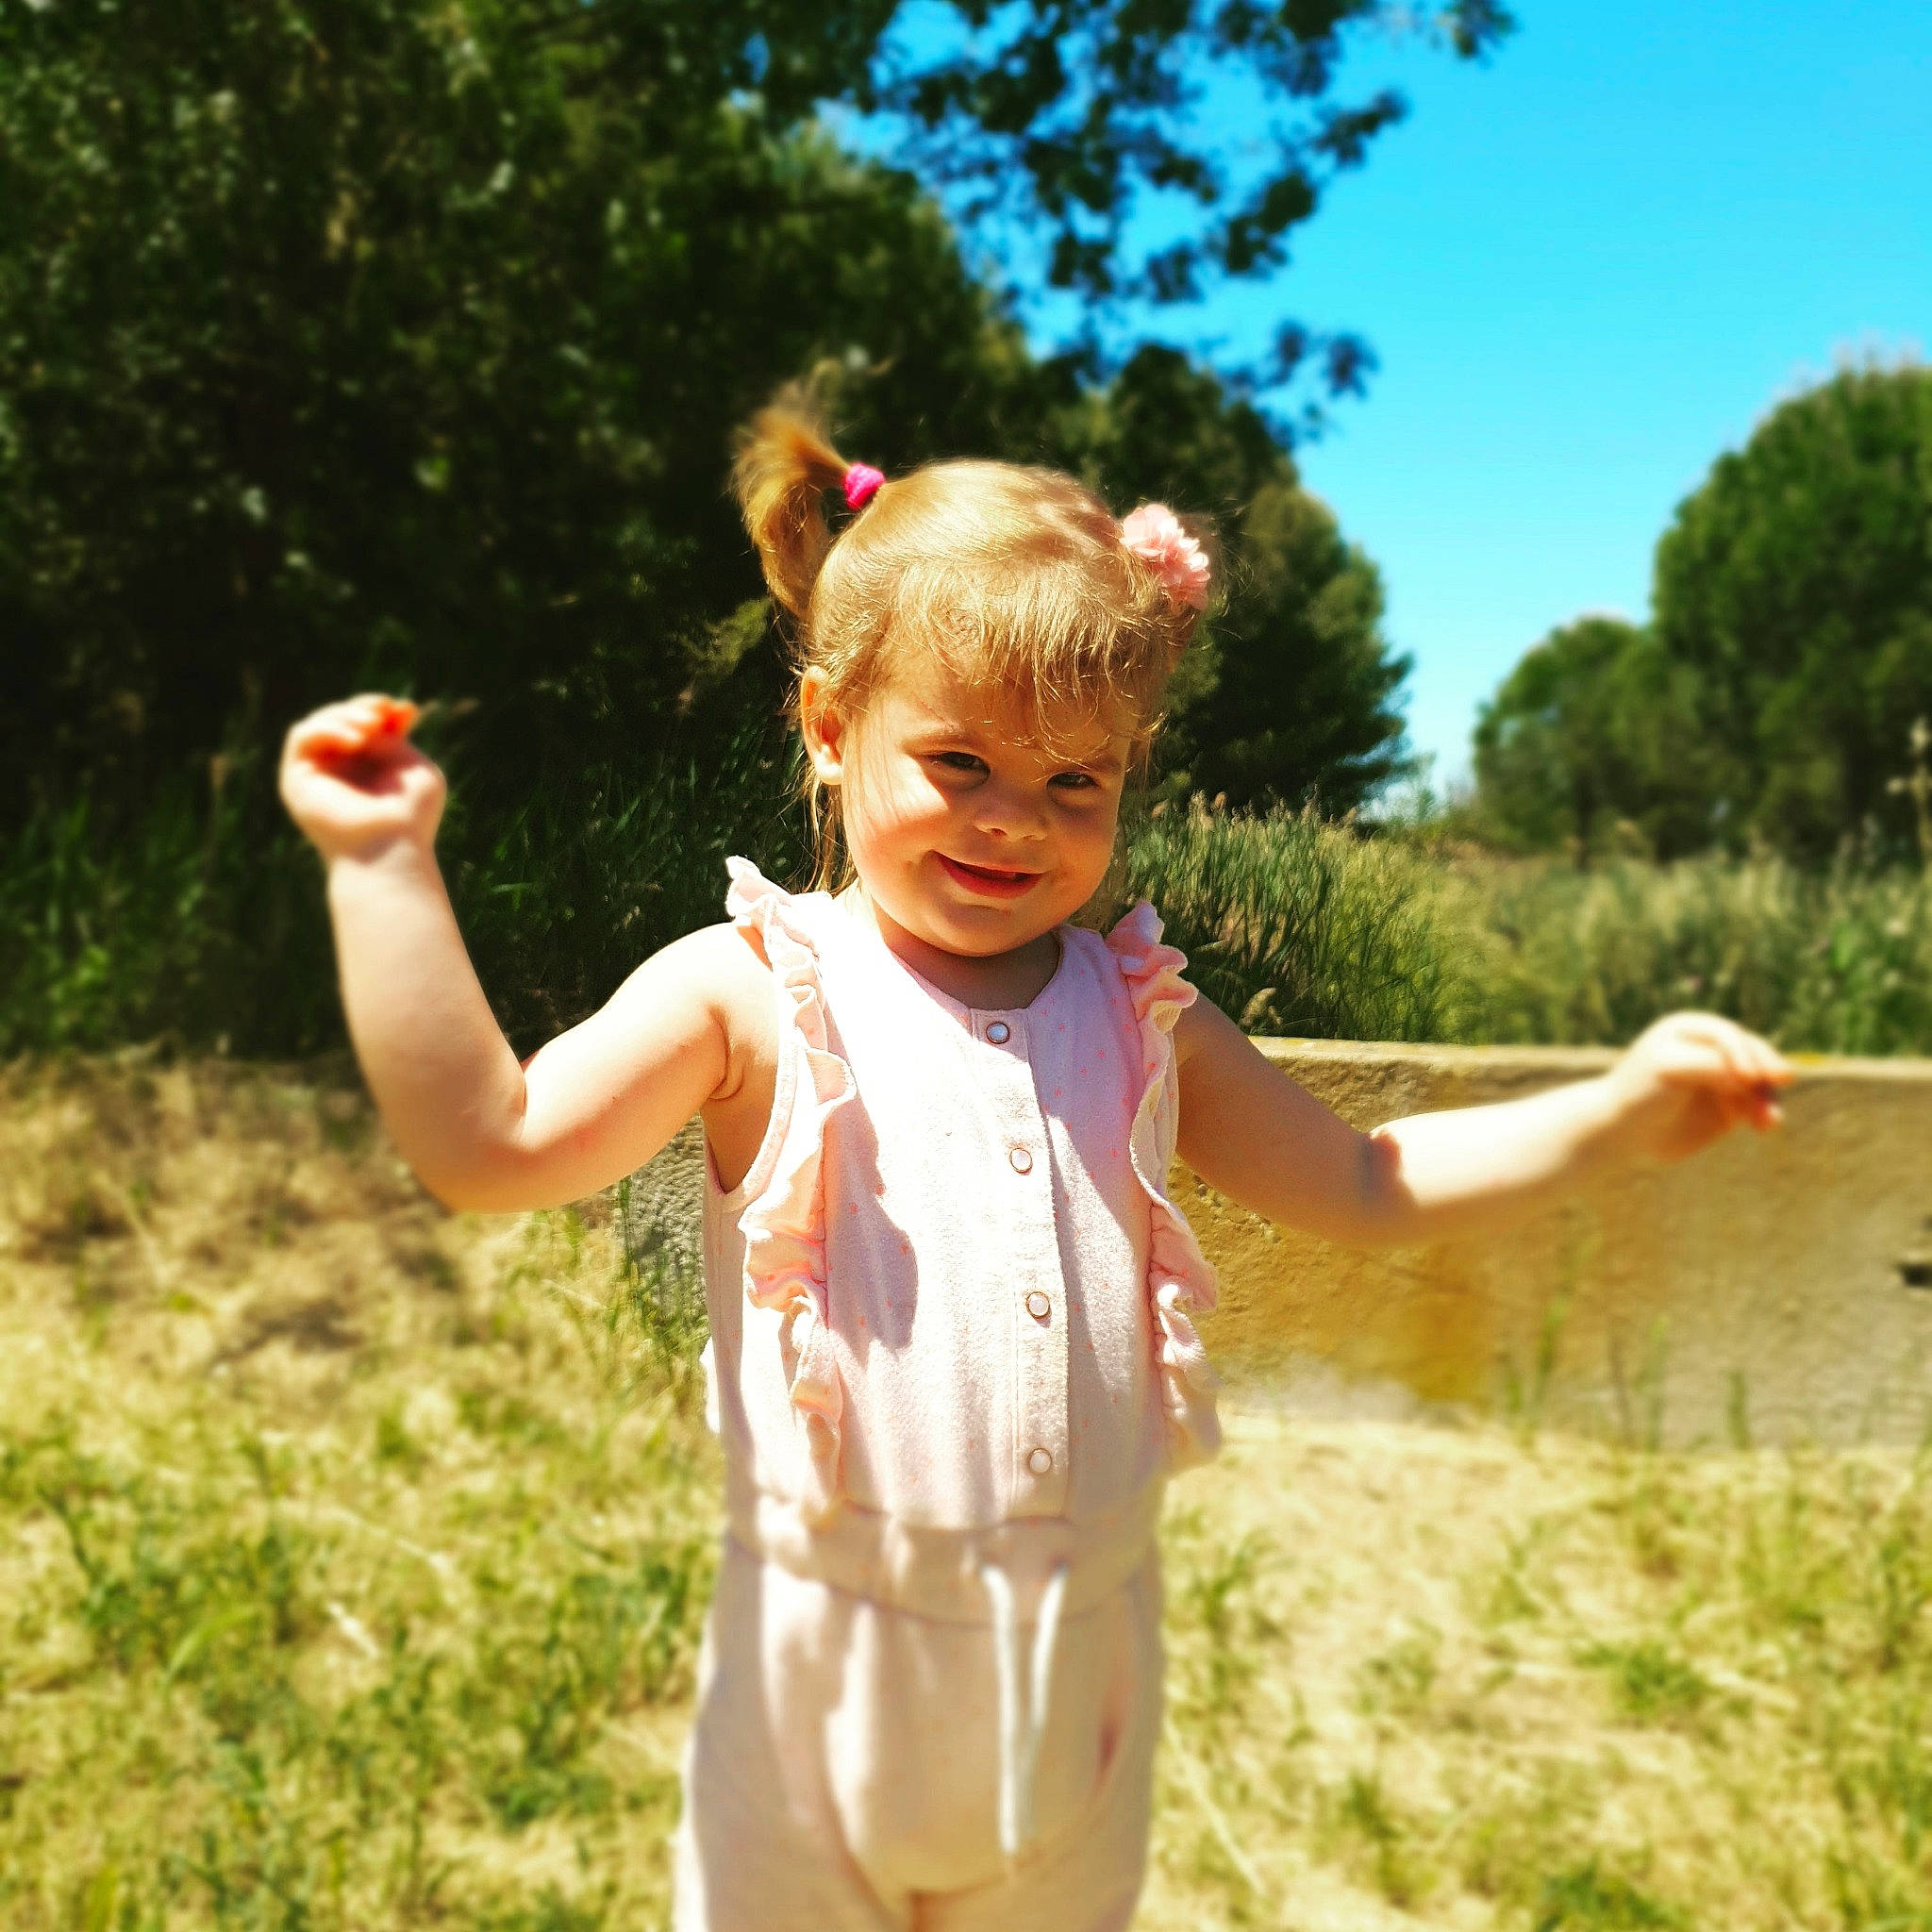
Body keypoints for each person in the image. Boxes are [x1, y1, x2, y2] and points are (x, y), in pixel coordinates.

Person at [279, 391, 1792, 1932]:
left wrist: (1618, 1112)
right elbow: (494, 1144)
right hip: (819, 1704)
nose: (1018, 824)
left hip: (1083, 1699)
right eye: (961, 764)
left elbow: (1369, 1183)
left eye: (1078, 782)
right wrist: (384, 867)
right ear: (827, 729)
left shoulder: (1142, 1017)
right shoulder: (752, 989)